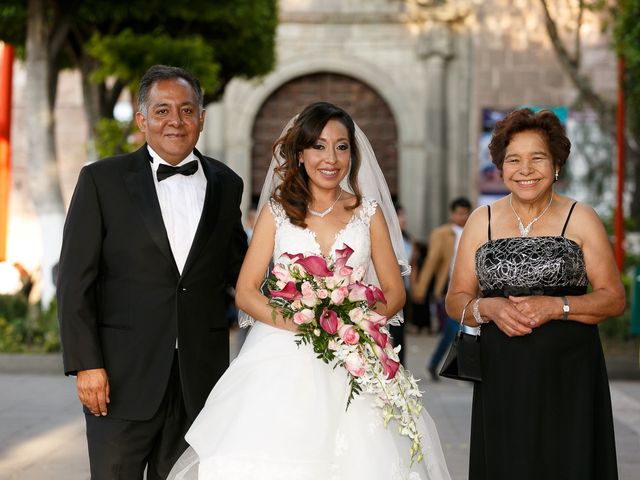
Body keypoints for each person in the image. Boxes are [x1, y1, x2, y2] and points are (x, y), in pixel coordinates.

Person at [168, 102, 451, 479]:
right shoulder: (276, 211)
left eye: (341, 146)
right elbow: (247, 291)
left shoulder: (368, 212)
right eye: (318, 146)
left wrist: (354, 321)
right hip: (280, 355)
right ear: (300, 154)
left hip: (353, 354)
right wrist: (303, 322)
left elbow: (394, 292)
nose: (330, 158)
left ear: (353, 153)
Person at [57, 65, 247, 479]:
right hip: (119, 380)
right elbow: (75, 282)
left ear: (201, 118)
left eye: (186, 110)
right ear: (142, 119)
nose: (175, 121)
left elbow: (241, 269)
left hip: (199, 380)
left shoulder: (227, 184)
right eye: (162, 110)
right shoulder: (100, 180)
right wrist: (86, 364)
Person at [445, 108, 625, 480]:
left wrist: (557, 306)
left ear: (556, 163)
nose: (525, 169)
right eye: (514, 160)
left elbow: (613, 298)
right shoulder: (483, 220)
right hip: (502, 375)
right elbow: (455, 300)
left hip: (570, 376)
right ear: (501, 166)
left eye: (537, 158)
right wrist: (488, 307)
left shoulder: (581, 216)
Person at [412, 197, 471, 381]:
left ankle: (436, 364)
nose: (462, 216)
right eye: (459, 213)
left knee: (453, 330)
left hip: (470, 287)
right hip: (447, 288)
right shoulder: (442, 233)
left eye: (465, 212)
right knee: (455, 329)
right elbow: (431, 262)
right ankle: (464, 369)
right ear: (452, 213)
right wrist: (420, 289)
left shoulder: (474, 229)